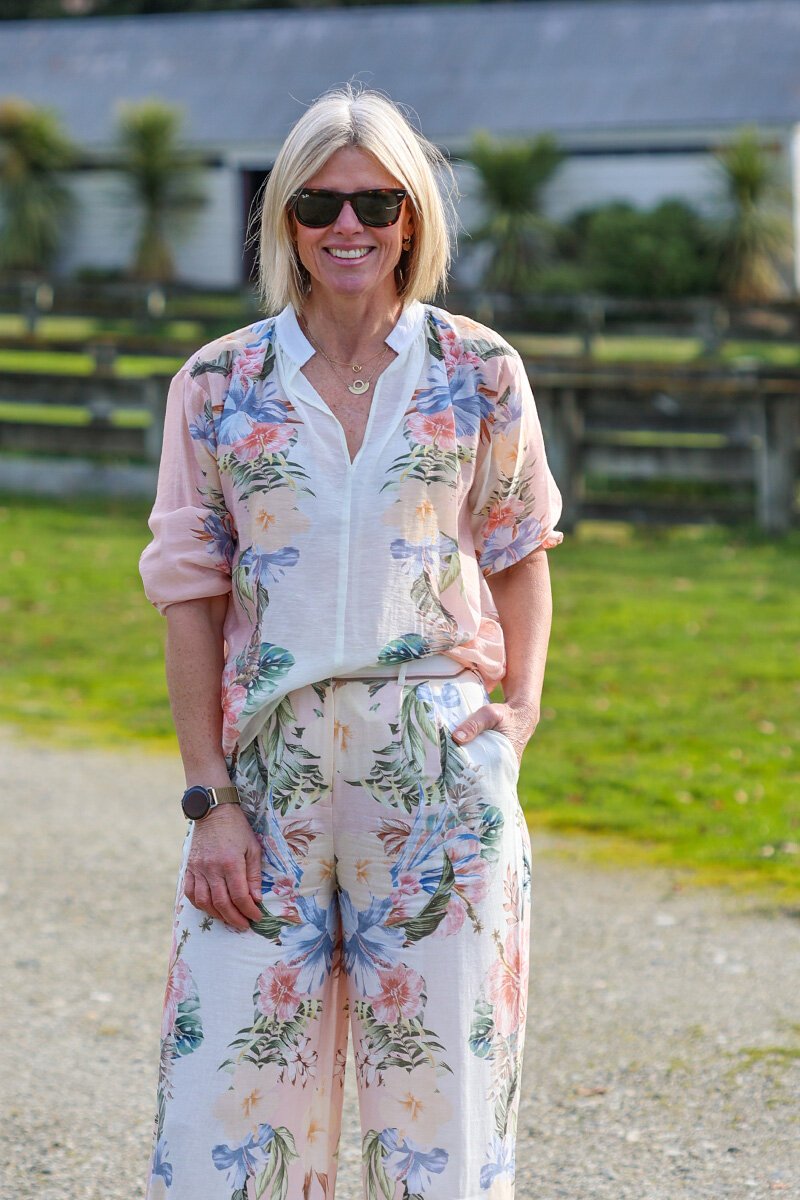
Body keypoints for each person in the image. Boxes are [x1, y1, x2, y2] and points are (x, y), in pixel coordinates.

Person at [138, 82, 563, 1200]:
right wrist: (207, 795)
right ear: (284, 219)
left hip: (437, 770)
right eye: (318, 203)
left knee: (441, 1105)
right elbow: (189, 594)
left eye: (376, 204)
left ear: (411, 220)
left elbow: (520, 547)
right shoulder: (218, 384)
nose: (347, 226)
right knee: (224, 1104)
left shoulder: (478, 370)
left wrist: (516, 715)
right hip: (266, 776)